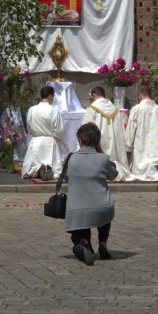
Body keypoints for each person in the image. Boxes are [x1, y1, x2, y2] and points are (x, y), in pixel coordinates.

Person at [63, 122, 119, 266]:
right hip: (102, 208)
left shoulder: (71, 159)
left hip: (78, 210)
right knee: (103, 215)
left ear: (80, 141)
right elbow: (113, 174)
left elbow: (67, 178)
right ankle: (103, 242)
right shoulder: (103, 159)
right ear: (98, 142)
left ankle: (83, 244)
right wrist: (100, 153)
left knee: (80, 229)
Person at [125, 84, 158, 181]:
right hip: (155, 150)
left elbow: (131, 130)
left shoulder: (136, 109)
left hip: (140, 149)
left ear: (140, 95)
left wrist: (128, 148)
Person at [83, 87, 131, 180]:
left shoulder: (92, 108)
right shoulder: (115, 109)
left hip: (99, 141)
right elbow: (121, 129)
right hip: (114, 143)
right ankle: (113, 169)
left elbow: (86, 129)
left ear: (94, 95)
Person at [22, 85, 66, 180]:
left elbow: (29, 128)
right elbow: (59, 130)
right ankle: (47, 170)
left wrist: (36, 134)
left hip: (37, 141)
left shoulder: (32, 110)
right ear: (50, 96)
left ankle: (37, 170)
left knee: (35, 163)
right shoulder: (54, 110)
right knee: (53, 167)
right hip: (50, 141)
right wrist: (57, 138)